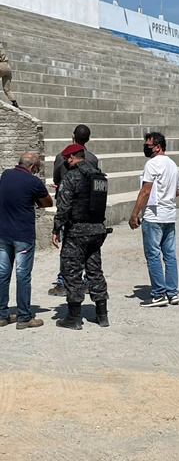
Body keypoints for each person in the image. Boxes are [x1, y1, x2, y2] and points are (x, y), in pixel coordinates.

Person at [52, 144, 111, 330]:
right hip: (97, 230)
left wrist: (56, 229)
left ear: (70, 158)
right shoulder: (100, 176)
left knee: (71, 271)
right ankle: (102, 315)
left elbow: (63, 207)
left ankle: (74, 317)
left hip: (77, 231)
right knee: (95, 271)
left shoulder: (71, 177)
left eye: (66, 159)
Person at [129, 132, 179, 307]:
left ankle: (158, 294)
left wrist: (134, 214)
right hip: (169, 214)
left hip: (154, 215)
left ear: (158, 147)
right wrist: (166, 194)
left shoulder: (152, 164)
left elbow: (145, 191)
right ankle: (172, 292)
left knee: (153, 255)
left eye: (148, 145)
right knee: (169, 255)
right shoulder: (173, 165)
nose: (146, 147)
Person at [0, 152, 53, 328]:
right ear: (32, 167)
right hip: (22, 235)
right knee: (23, 276)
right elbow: (47, 202)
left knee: (2, 274)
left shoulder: (6, 175)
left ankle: (2, 314)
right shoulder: (34, 182)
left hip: (3, 234)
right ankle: (24, 317)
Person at [48, 124, 100, 297]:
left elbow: (58, 178)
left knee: (68, 252)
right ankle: (88, 286)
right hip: (91, 214)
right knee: (91, 257)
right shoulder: (92, 158)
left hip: (70, 211)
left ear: (73, 136)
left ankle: (64, 283)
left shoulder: (61, 157)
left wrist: (56, 226)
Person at [0, 45, 18, 109]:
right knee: (7, 89)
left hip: (1, 65)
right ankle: (15, 103)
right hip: (8, 67)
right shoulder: (2, 47)